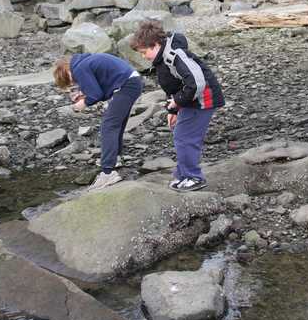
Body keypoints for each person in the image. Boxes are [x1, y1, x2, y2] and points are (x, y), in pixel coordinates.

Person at [131, 20, 224, 192]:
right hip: (190, 99)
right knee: (180, 133)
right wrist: (173, 110)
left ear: (155, 44)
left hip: (203, 99)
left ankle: (193, 177)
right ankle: (183, 174)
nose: (143, 57)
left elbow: (197, 83)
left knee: (184, 137)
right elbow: (173, 86)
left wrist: (178, 102)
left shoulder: (174, 55)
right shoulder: (162, 58)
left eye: (144, 52)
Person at [53, 53, 143, 192]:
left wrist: (82, 104)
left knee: (109, 126)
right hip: (132, 82)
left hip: (126, 85)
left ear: (66, 72)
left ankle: (108, 172)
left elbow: (96, 95)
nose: (74, 83)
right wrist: (85, 96)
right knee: (116, 123)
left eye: (70, 82)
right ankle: (116, 158)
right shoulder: (84, 62)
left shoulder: (78, 69)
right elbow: (101, 90)